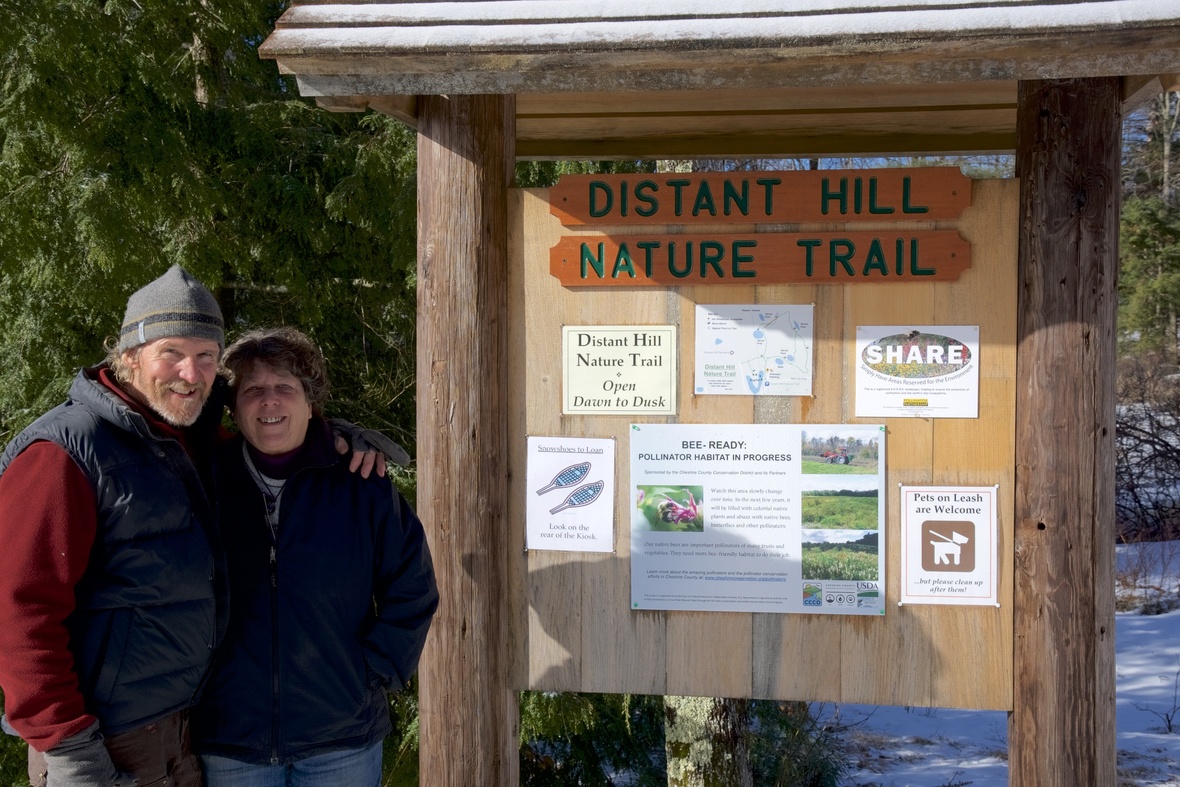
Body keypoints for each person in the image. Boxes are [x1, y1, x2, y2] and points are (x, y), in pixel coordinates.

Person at [0, 266, 388, 787]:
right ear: (129, 355)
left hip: (186, 736)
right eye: (172, 354)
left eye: (206, 357)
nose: (190, 373)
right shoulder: (65, 453)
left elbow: (273, 441)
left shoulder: (188, 440)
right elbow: (17, 612)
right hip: (101, 747)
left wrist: (333, 439)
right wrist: (69, 752)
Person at [193, 327, 437, 786]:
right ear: (234, 406)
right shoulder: (206, 484)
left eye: (285, 388)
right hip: (231, 739)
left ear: (311, 403)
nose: (270, 402)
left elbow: (413, 588)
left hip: (341, 739)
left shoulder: (362, 485)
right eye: (254, 390)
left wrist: (373, 675)